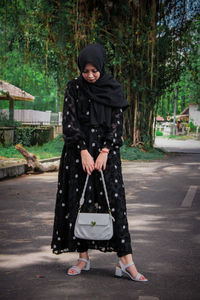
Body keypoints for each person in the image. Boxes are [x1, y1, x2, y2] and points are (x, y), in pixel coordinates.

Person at [51, 43, 148, 282]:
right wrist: (83, 150)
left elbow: (117, 121)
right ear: (80, 69)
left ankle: (125, 261)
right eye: (86, 71)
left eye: (95, 70)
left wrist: (105, 150)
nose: (91, 75)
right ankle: (83, 257)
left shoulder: (113, 88)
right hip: (77, 152)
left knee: (115, 204)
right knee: (79, 203)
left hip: (107, 152)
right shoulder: (73, 87)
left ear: (102, 67)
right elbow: (69, 121)